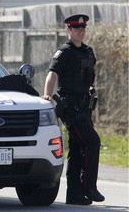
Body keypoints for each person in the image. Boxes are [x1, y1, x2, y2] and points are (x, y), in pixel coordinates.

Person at [41, 14, 105, 205]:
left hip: (84, 107)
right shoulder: (64, 52)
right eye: (77, 28)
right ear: (68, 30)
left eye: (83, 28)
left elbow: (91, 73)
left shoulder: (88, 51)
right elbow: (52, 73)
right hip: (70, 107)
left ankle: (74, 194)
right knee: (92, 141)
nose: (81, 31)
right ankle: (89, 186)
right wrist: (47, 95)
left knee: (77, 148)